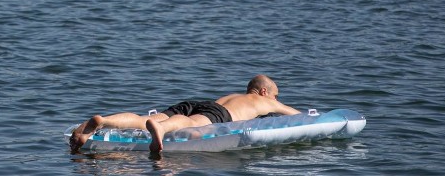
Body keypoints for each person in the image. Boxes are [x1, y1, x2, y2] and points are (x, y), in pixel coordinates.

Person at [68, 75, 301, 154]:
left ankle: (103, 121)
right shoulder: (265, 101)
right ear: (263, 91)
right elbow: (297, 115)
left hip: (199, 102)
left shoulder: (236, 95)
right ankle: (161, 129)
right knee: (188, 124)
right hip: (219, 113)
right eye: (276, 96)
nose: (276, 101)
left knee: (143, 120)